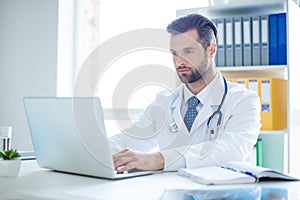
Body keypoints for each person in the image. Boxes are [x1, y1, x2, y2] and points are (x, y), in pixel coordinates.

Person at [109, 13, 261, 173]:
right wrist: (96, 152)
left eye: (188, 51)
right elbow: (129, 140)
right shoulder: (164, 102)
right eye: (174, 53)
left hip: (223, 195)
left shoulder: (243, 100)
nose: (179, 61)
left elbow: (232, 149)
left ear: (211, 50)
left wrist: (160, 159)